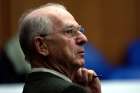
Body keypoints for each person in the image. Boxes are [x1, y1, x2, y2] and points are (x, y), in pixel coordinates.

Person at [18, 3, 101, 93]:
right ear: (41, 46)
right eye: (70, 31)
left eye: (80, 30)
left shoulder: (31, 87)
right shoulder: (69, 91)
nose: (84, 39)